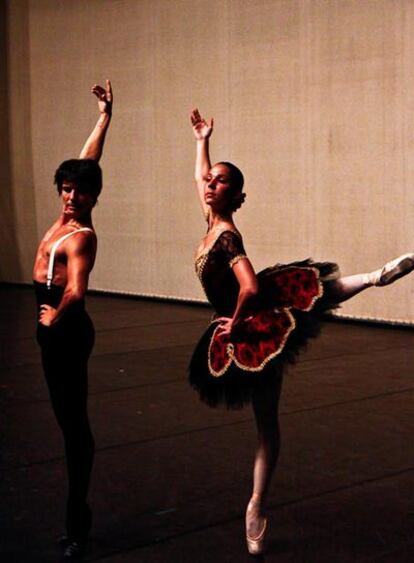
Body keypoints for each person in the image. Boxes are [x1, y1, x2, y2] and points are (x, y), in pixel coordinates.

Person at [189, 108, 414, 555]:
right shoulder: (211, 220)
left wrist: (233, 321)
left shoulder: (227, 235)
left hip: (252, 330)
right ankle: (373, 277)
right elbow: (198, 177)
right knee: (308, 293)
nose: (209, 183)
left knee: (266, 423)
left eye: (219, 182)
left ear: (235, 196)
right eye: (210, 180)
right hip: (250, 314)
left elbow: (250, 286)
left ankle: (256, 505)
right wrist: (202, 141)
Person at [33, 80, 113, 558]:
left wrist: (52, 319)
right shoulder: (63, 215)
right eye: (65, 188)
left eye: (80, 191)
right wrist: (105, 115)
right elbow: (89, 162)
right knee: (69, 422)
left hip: (65, 330)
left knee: (73, 427)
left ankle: (77, 521)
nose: (70, 196)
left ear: (91, 199)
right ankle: (76, 515)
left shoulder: (80, 235)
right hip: (53, 329)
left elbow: (78, 293)